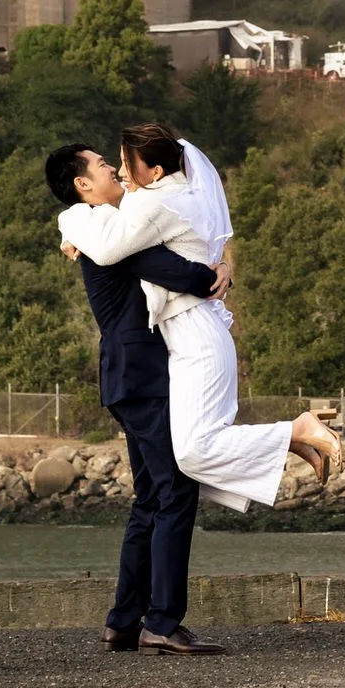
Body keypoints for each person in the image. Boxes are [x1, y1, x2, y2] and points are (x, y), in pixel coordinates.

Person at [58, 122, 342, 514]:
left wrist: (73, 229)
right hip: (178, 340)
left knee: (190, 454)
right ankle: (291, 442)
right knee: (184, 458)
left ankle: (295, 432)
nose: (119, 172)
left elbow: (123, 251)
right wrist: (76, 231)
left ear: (153, 173)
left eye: (122, 163)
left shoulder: (149, 207)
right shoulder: (145, 207)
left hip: (189, 333)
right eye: (110, 164)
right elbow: (163, 245)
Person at [45, 141, 231, 656]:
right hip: (142, 373)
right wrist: (213, 274)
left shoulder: (100, 224)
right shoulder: (102, 227)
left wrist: (218, 266)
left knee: (152, 496)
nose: (113, 168)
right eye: (104, 166)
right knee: (175, 491)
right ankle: (163, 621)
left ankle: (125, 620)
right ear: (83, 184)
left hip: (131, 374)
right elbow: (174, 269)